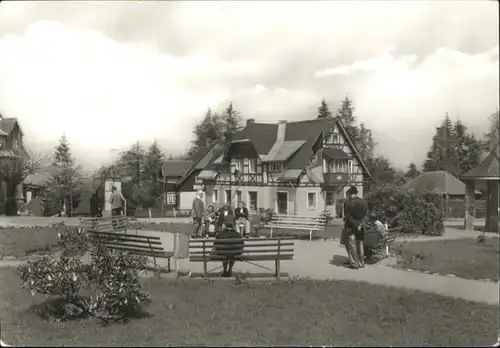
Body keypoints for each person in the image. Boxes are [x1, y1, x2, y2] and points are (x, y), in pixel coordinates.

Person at [343, 185, 368, 269]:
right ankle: (361, 263)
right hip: (360, 226)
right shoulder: (363, 202)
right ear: (356, 193)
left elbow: (347, 216)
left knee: (351, 245)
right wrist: (360, 224)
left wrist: (355, 224)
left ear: (349, 193)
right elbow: (365, 215)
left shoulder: (347, 203)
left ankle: (354, 264)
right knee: (360, 244)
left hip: (351, 226)